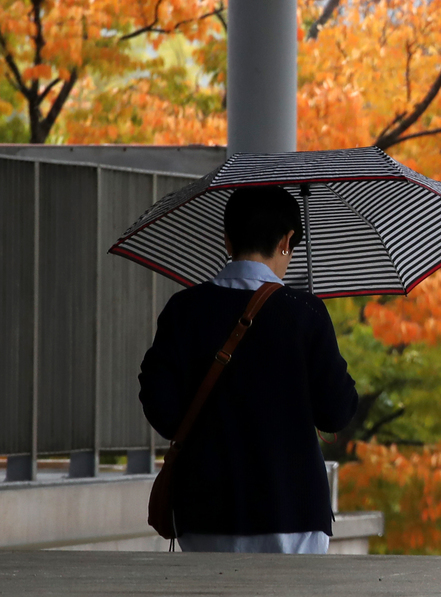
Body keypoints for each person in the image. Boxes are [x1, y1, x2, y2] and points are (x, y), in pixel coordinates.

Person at [138, 186, 359, 554]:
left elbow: (161, 406)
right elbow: (336, 411)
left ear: (227, 240)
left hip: (206, 511)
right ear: (287, 239)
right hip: (293, 512)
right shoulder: (305, 312)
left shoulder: (184, 310)